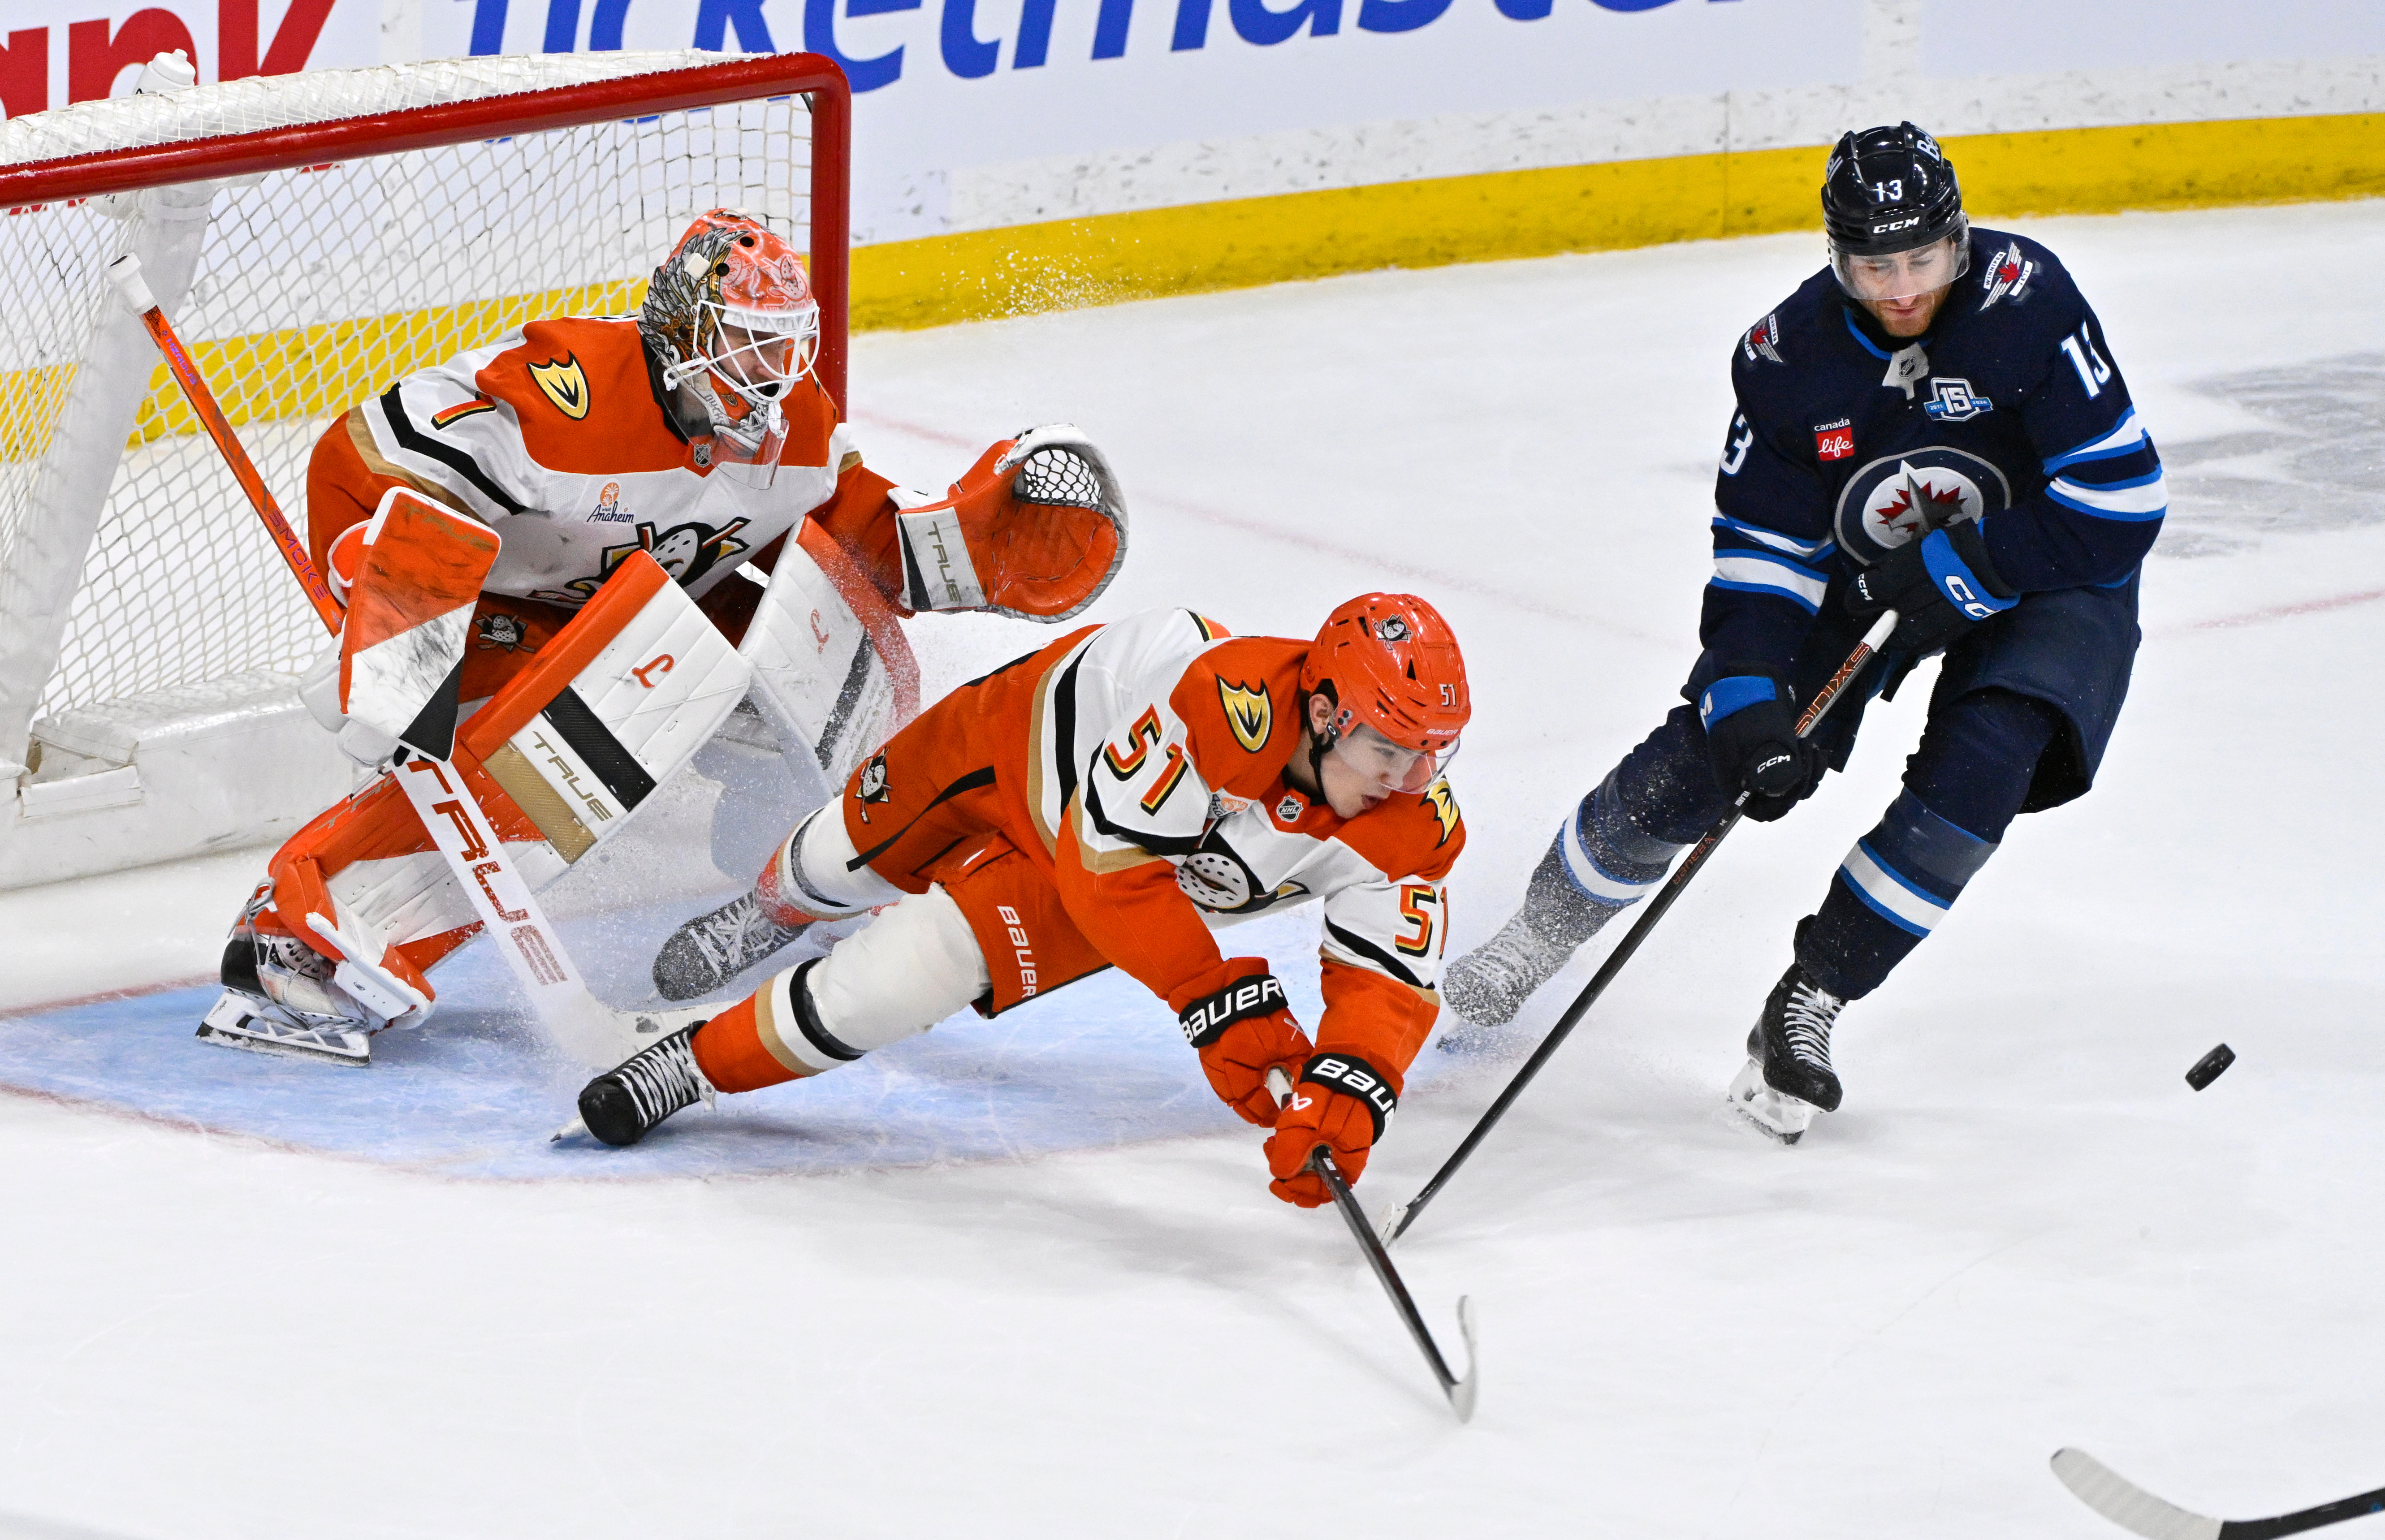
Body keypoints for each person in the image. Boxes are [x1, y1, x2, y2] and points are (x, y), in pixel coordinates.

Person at [201, 209, 1127, 1061]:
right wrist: (396, 590)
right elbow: (365, 451)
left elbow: (855, 541)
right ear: (682, 332)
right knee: (575, 741)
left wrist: (959, 546)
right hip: (498, 609)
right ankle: (302, 930)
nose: (768, 378)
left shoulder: (792, 428)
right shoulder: (573, 402)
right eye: (745, 346)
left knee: (808, 651)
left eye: (782, 349)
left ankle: (799, 863)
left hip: (627, 609)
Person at [1442, 123, 2165, 1142]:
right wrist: (1745, 702)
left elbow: (2121, 502)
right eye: (1875, 265)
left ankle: (1812, 995)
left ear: (1958, 238)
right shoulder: (1788, 362)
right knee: (1707, 756)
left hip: (2047, 570)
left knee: (1991, 759)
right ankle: (1537, 930)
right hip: (1866, 574)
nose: (1903, 287)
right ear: (1837, 257)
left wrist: (1964, 569)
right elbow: (1762, 562)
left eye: (1922, 258)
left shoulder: (2027, 302)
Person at [573, 595, 1470, 1208]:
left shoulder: (1410, 823)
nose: (1411, 779)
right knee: (846, 851)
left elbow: (1389, 980)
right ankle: (776, 910)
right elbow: (1107, 866)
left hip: (1098, 872)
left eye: (1433, 752)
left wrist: (1353, 1087)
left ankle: (694, 1063)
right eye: (1393, 748)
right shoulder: (1221, 707)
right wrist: (1213, 996)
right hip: (1019, 747)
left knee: (898, 981)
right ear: (1324, 713)